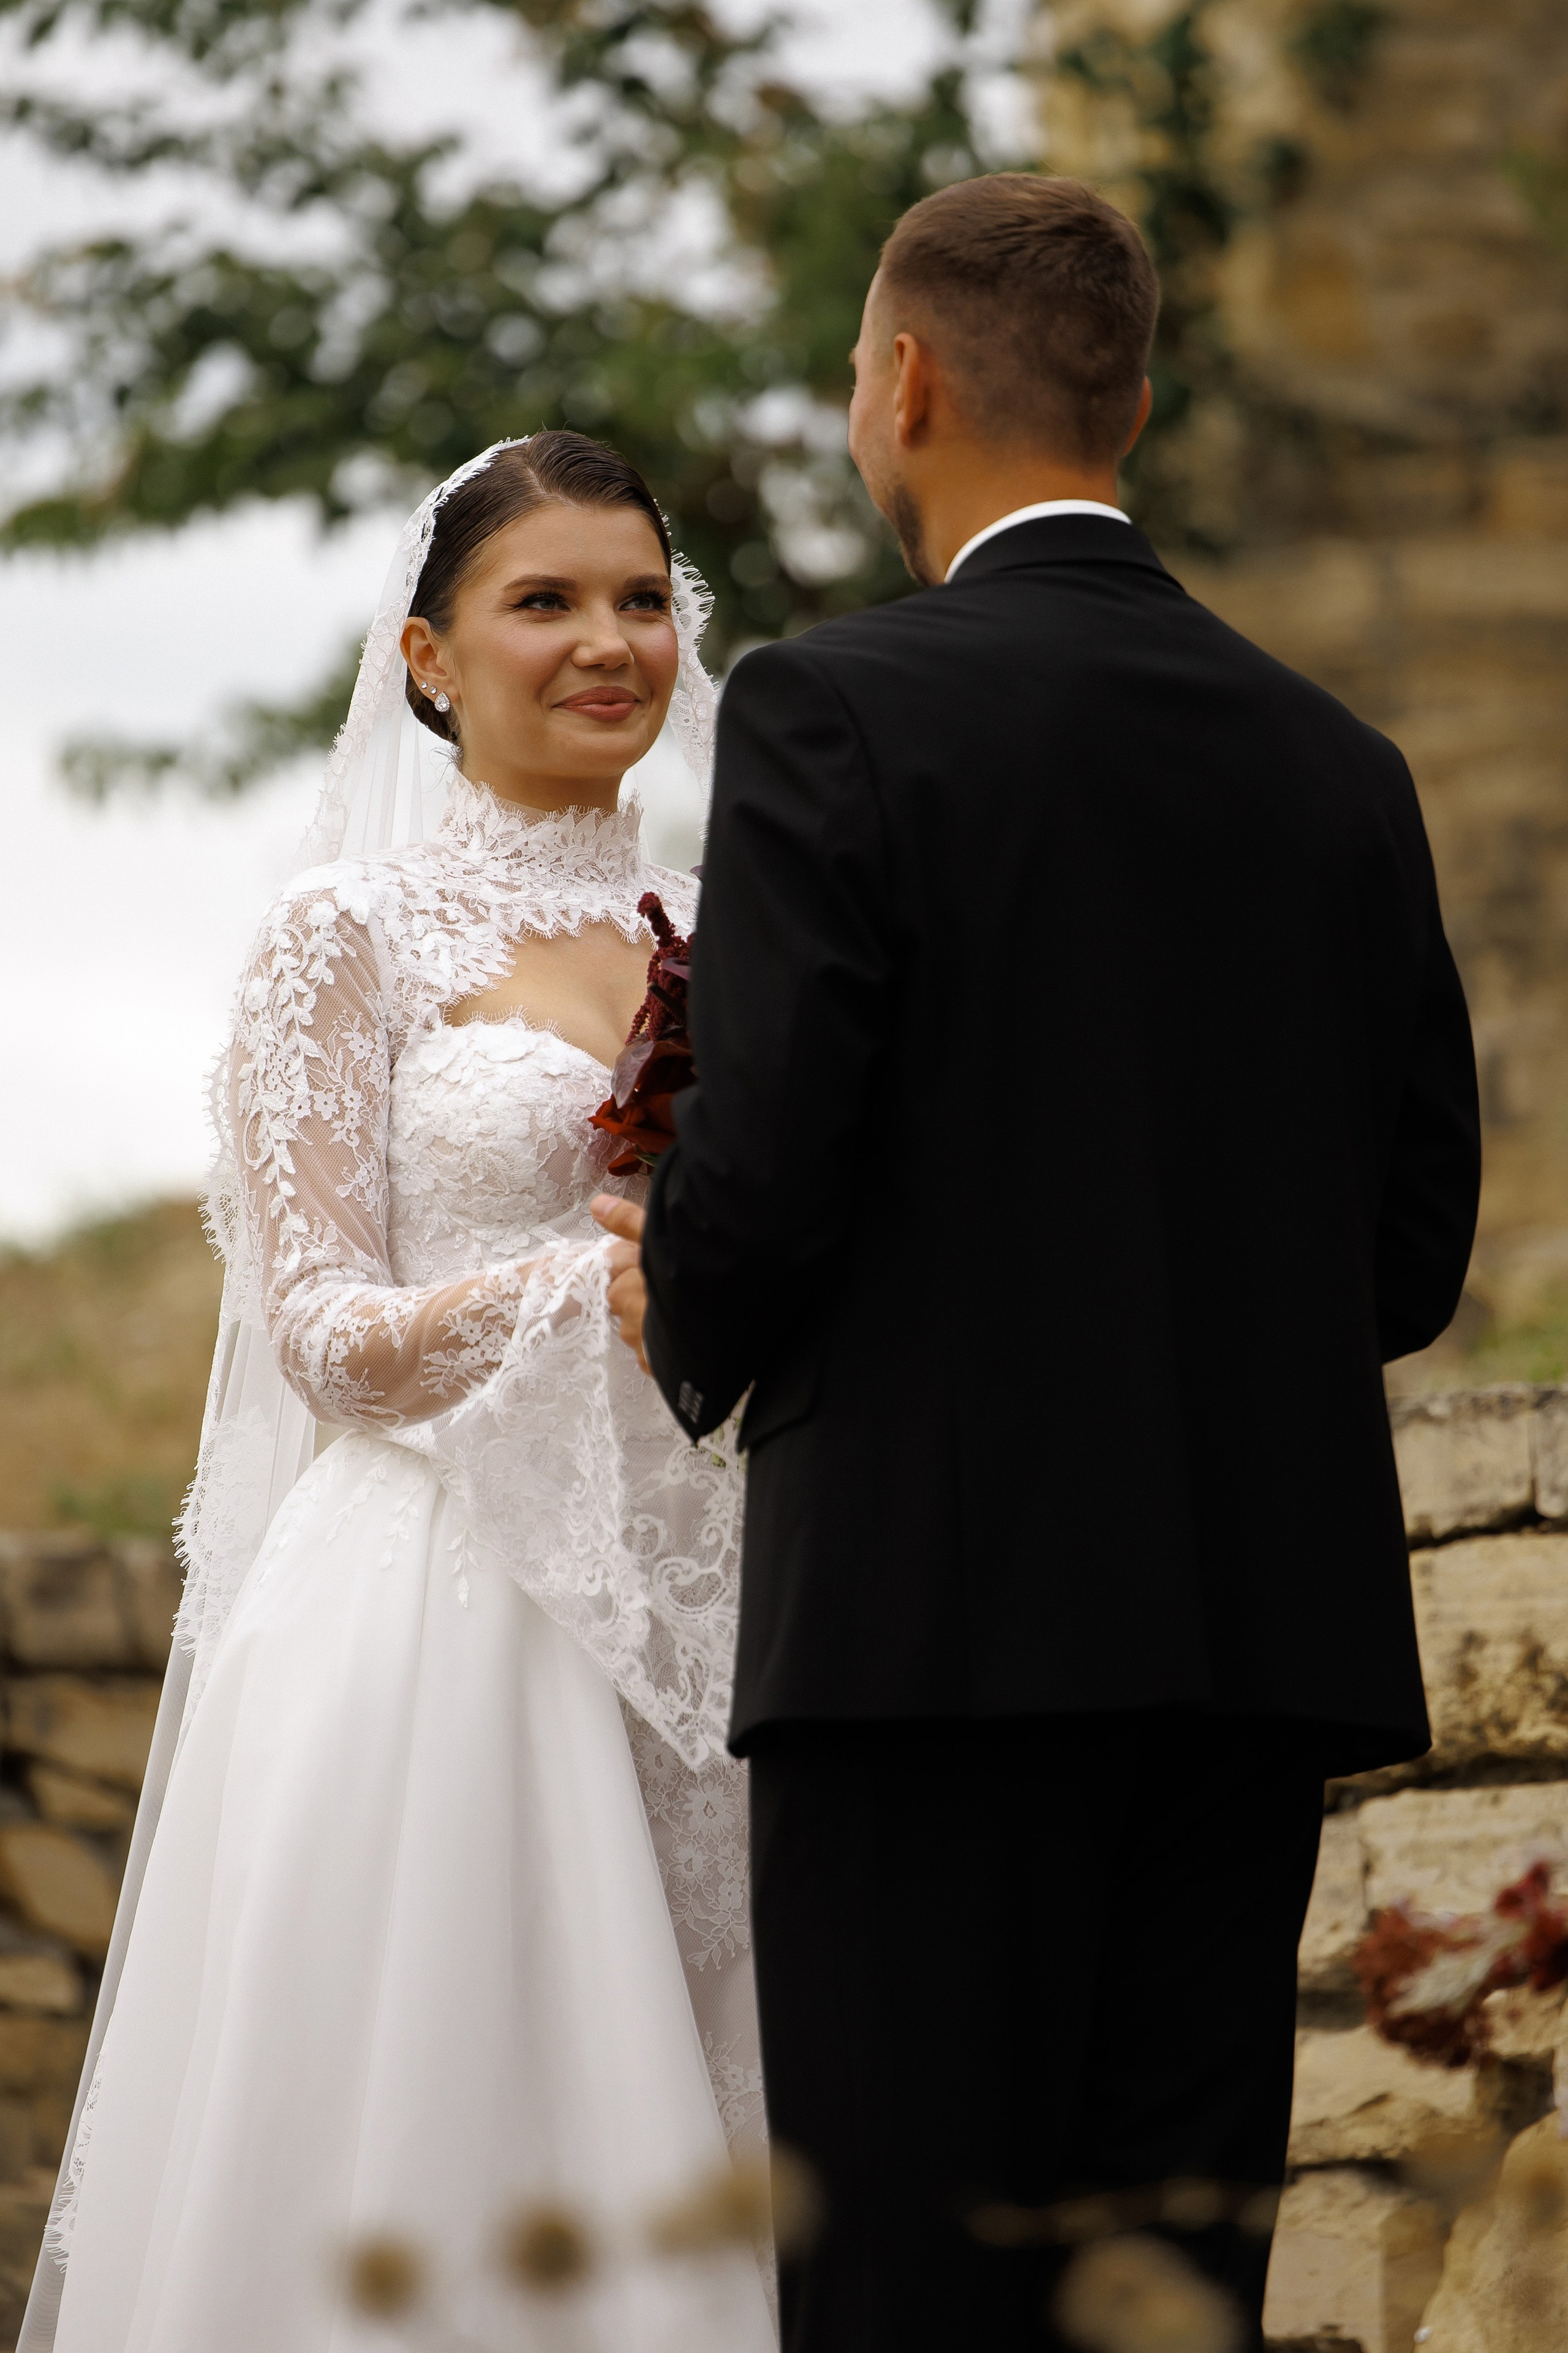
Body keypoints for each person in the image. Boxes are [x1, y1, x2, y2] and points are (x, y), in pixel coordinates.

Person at [593, 174, 1481, 2352]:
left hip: (924, 1644)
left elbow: (774, 1170)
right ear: (1142, 403)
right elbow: (1415, 1237)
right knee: (1168, 2284)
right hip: (1245, 1654)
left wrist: (671, 1281)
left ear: (901, 383)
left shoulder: (836, 714)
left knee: (911, 2288)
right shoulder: (1340, 767)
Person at [21, 432, 775, 2353]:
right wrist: (581, 1280)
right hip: (444, 1621)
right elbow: (326, 1333)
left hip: (709, 1597)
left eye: (636, 598)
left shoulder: (735, 927)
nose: (607, 640)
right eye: (546, 601)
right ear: (429, 657)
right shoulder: (342, 936)